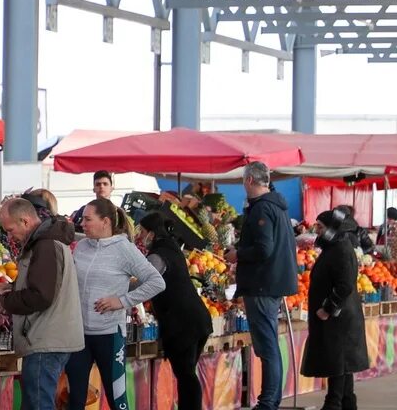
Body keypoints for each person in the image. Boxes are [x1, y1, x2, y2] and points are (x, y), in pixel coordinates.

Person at [66, 198, 165, 410]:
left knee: (117, 399)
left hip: (109, 335)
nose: (82, 223)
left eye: (88, 219)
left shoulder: (124, 249)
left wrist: (121, 301)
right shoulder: (81, 246)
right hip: (79, 336)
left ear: (106, 222)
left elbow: (157, 282)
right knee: (74, 399)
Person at [0, 198, 83, 410]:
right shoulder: (48, 242)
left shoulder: (44, 245)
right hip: (52, 336)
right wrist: (13, 288)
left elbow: (41, 296)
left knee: (38, 405)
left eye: (10, 229)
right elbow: (46, 284)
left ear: (25, 221)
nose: (9, 236)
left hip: (46, 338)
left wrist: (7, 301)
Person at [225, 161, 298, 410]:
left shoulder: (262, 210)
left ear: (248, 181)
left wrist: (238, 254)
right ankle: (270, 400)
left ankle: (267, 403)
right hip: (272, 283)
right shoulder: (278, 206)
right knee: (270, 345)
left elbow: (264, 249)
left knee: (267, 346)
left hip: (262, 284)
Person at [138, 212, 212, 410]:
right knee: (187, 373)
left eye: (143, 231)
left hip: (182, 323)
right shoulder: (173, 249)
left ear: (152, 234)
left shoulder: (157, 256)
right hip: (198, 319)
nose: (140, 235)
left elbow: (143, 283)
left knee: (186, 375)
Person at [301, 209, 369, 410]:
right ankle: (346, 402)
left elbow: (345, 285)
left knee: (337, 362)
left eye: (320, 227)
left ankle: (334, 403)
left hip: (339, 319)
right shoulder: (335, 247)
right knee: (342, 364)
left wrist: (327, 308)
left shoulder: (340, 249)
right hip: (340, 319)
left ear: (331, 228)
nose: (317, 231)